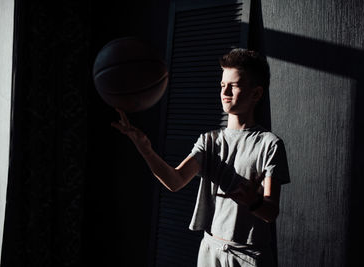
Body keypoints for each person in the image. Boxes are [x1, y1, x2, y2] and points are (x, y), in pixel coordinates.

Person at [111, 48, 290, 267]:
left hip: (249, 257)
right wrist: (145, 149)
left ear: (256, 94)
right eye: (223, 85)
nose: (226, 92)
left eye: (233, 86)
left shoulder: (269, 144)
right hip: (210, 249)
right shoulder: (209, 141)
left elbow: (271, 212)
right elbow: (175, 181)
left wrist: (253, 201)